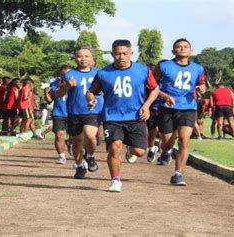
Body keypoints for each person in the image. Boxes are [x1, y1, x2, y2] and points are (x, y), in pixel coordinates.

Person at [87, 40, 159, 192]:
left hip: (136, 116)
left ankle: (130, 150)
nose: (121, 57)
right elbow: (91, 91)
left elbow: (155, 90)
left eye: (125, 54)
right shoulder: (103, 73)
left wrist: (146, 106)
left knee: (140, 152)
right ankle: (115, 179)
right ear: (112, 54)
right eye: (118, 54)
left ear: (131, 53)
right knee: (114, 147)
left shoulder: (143, 70)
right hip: (112, 117)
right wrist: (91, 99)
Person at [153, 39, 206, 186]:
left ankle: (178, 174)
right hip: (167, 108)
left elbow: (202, 83)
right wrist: (164, 96)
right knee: (167, 142)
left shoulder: (198, 68)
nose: (182, 49)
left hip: (188, 108)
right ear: (173, 51)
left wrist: (202, 88)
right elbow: (152, 86)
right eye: (178, 47)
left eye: (185, 47)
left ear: (191, 50)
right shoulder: (163, 66)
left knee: (184, 139)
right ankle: (165, 151)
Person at [56, 45, 103, 180]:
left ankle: (91, 156)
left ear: (92, 58)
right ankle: (79, 166)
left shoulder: (99, 73)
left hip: (93, 111)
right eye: (79, 56)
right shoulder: (68, 75)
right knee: (77, 142)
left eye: (86, 56)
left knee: (90, 135)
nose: (83, 59)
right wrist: (67, 86)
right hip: (74, 112)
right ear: (75, 58)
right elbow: (58, 94)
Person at [46, 65, 71, 164]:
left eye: (67, 74)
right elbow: (49, 101)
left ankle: (70, 142)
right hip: (59, 113)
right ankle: (61, 156)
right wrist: (46, 94)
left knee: (75, 137)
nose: (65, 76)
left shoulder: (75, 83)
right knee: (59, 135)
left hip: (72, 113)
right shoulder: (54, 84)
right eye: (63, 74)